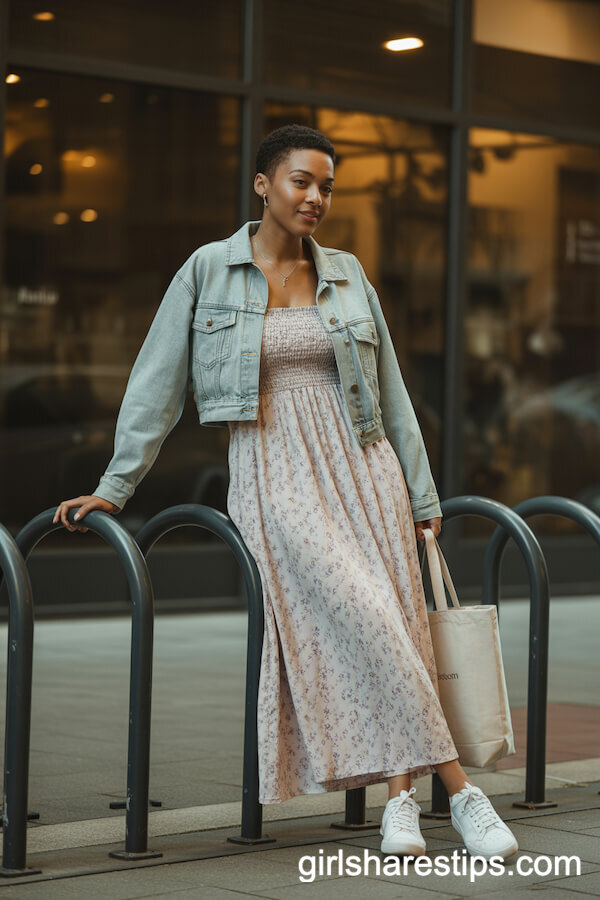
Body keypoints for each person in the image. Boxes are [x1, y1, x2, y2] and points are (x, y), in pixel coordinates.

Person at [54, 124, 518, 861]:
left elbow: (393, 395)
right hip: (276, 472)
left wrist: (423, 499)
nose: (316, 198)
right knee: (368, 620)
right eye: (302, 181)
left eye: (327, 185)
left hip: (364, 468)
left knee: (394, 626)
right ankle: (464, 793)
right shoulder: (208, 269)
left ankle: (401, 803)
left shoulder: (346, 273)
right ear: (264, 184)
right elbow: (155, 384)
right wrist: (116, 485)